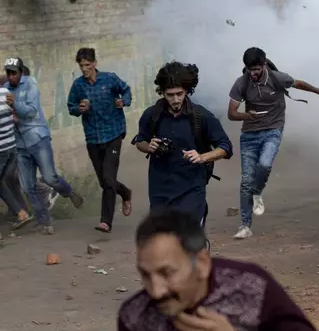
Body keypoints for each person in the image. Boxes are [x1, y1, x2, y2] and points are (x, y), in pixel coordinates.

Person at [117, 210, 319, 331]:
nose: (156, 291)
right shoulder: (134, 317)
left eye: (167, 273)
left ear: (201, 263)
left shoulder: (251, 287)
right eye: (145, 274)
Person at [227, 47, 319, 240]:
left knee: (264, 164)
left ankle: (257, 192)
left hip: (272, 130)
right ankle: (245, 225)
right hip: (249, 134)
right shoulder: (241, 83)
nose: (254, 73)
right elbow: (231, 113)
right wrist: (247, 115)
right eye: (250, 69)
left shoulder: (276, 78)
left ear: (264, 65)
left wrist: (318, 91)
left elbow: (298, 83)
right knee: (246, 181)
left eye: (257, 69)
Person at [133, 61, 233, 236]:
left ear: (187, 90)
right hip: (159, 190)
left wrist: (202, 157)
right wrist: (148, 146)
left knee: (187, 239)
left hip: (192, 189)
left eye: (179, 94)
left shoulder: (202, 116)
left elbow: (225, 147)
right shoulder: (152, 115)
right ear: (162, 92)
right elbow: (139, 140)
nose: (176, 100)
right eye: (170, 95)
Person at [4, 57, 83, 235]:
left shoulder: (30, 84)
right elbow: (8, 115)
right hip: (21, 145)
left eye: (13, 73)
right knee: (27, 187)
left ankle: (68, 192)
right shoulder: (6, 90)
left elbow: (31, 111)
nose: (10, 77)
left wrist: (14, 104)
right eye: (8, 73)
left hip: (38, 138)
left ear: (21, 72)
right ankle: (44, 221)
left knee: (49, 178)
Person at [67, 48, 133, 233]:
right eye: (81, 66)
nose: (84, 69)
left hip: (113, 134)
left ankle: (105, 221)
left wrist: (123, 101)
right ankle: (125, 193)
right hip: (93, 138)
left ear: (95, 63)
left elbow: (126, 90)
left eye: (87, 65)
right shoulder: (78, 86)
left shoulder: (109, 79)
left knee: (108, 178)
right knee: (105, 182)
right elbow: (71, 106)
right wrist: (79, 108)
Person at [0, 83, 32, 230]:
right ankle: (22, 213)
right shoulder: (5, 92)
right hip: (11, 147)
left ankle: (20, 213)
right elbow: (15, 117)